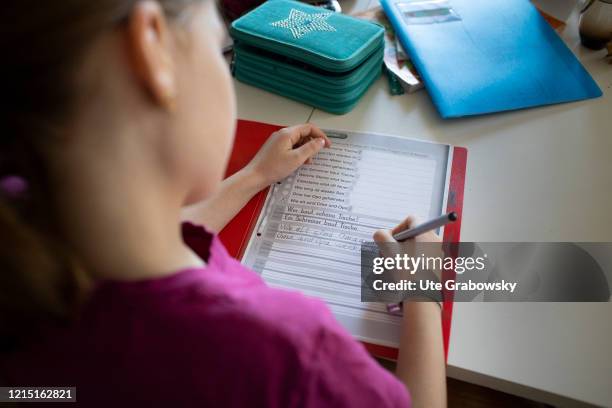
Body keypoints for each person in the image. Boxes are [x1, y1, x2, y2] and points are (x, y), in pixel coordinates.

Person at [0, 1, 446, 406]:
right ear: (152, 48)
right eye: (219, 49)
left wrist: (253, 177)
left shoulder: (25, 238)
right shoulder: (290, 355)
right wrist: (423, 292)